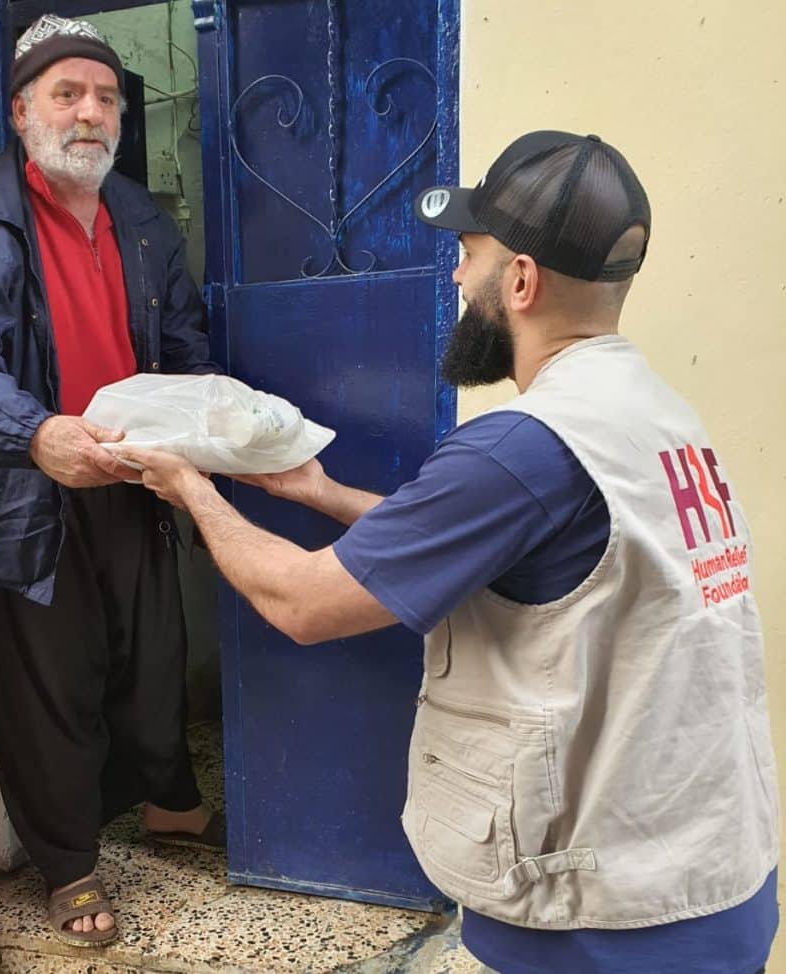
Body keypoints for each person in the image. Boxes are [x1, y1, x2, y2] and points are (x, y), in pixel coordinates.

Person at [116, 131, 779, 974]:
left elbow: (303, 605)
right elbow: (519, 545)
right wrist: (323, 495)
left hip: (604, 929)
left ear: (523, 280)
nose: (458, 279)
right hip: (709, 886)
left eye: (469, 256)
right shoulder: (656, 417)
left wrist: (192, 489)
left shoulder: (523, 448)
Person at [0, 14, 223, 948]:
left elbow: (185, 339)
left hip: (131, 476)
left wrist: (201, 419)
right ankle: (70, 864)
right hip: (27, 492)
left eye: (107, 97)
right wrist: (36, 433)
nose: (91, 114)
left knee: (153, 650)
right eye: (67, 95)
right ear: (20, 111)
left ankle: (168, 806)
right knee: (49, 680)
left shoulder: (140, 218)